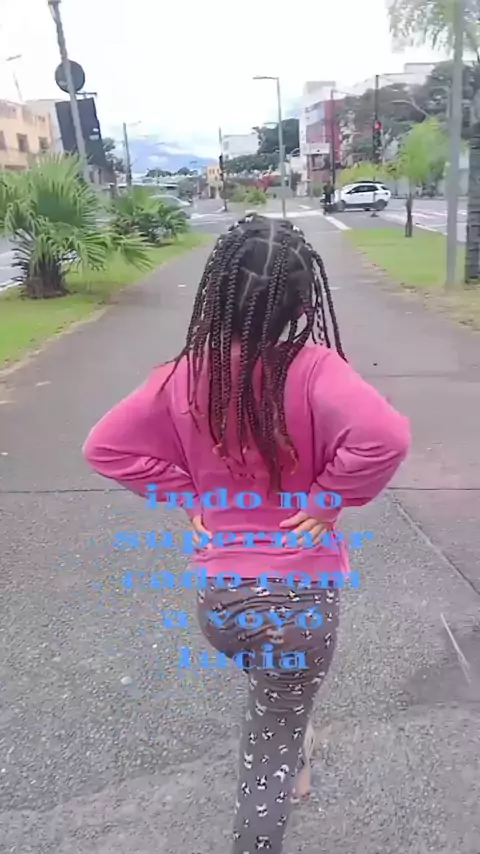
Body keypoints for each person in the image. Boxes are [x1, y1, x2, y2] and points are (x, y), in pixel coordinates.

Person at [83, 213, 410, 854]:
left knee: (276, 690)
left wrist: (186, 496)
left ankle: (293, 748)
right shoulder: (315, 370)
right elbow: (386, 437)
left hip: (223, 601)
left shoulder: (183, 375)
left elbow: (106, 448)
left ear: (216, 293)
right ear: (305, 305)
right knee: (271, 740)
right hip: (299, 602)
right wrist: (328, 499)